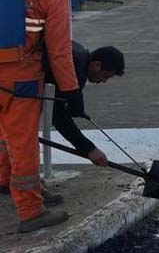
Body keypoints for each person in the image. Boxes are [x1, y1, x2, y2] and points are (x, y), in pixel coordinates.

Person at [0, 0, 87, 233]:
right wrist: (71, 90)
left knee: (2, 133)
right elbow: (60, 50)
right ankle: (30, 210)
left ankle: (3, 181)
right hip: (20, 77)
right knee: (23, 142)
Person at [1, 43, 124, 207]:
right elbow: (59, 117)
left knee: (8, 137)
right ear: (97, 65)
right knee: (23, 142)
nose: (103, 81)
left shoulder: (78, 54)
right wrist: (89, 149)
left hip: (12, 81)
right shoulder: (75, 69)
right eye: (106, 76)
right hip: (16, 86)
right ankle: (30, 198)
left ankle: (6, 181)